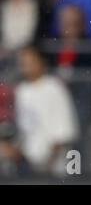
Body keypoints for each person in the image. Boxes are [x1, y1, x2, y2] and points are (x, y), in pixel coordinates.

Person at [15, 45, 79, 176]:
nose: (26, 66)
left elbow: (64, 131)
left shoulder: (54, 87)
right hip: (28, 164)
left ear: (41, 62)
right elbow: (24, 128)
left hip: (54, 167)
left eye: (30, 61)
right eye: (23, 62)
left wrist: (49, 162)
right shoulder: (21, 90)